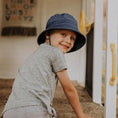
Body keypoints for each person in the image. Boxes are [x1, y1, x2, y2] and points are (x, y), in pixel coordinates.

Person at [1, 13, 92, 118]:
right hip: (34, 110)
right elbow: (69, 89)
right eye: (63, 34)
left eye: (72, 38)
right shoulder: (56, 52)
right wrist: (80, 114)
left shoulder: (36, 54)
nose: (68, 41)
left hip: (9, 111)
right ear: (47, 34)